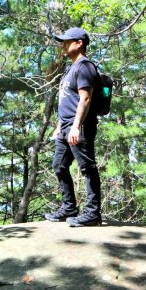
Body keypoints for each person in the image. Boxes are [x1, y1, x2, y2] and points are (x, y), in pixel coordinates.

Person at [45, 27, 102, 227]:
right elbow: (68, 100)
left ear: (79, 43)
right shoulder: (71, 68)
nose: (63, 44)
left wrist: (76, 126)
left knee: (87, 167)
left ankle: (93, 213)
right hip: (66, 126)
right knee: (59, 166)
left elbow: (85, 99)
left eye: (67, 41)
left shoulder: (85, 66)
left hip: (81, 126)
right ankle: (69, 207)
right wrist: (60, 125)